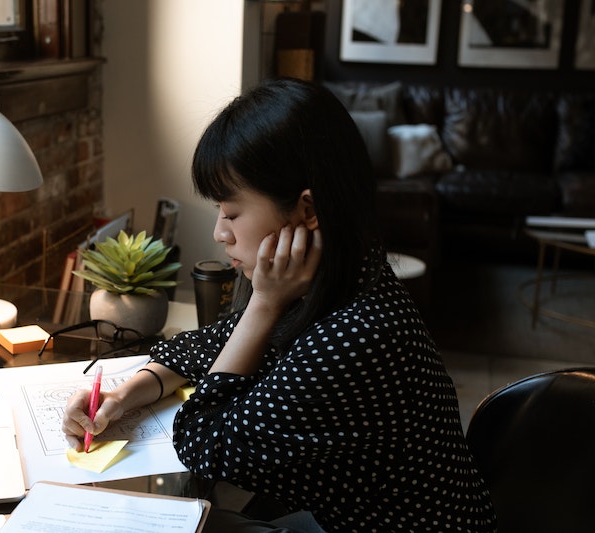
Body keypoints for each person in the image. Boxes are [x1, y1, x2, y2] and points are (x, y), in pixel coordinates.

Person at [62, 78, 496, 532]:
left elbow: (205, 443)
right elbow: (204, 346)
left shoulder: (354, 335)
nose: (219, 233)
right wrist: (123, 394)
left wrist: (264, 304)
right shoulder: (344, 279)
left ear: (307, 211)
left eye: (231, 213)